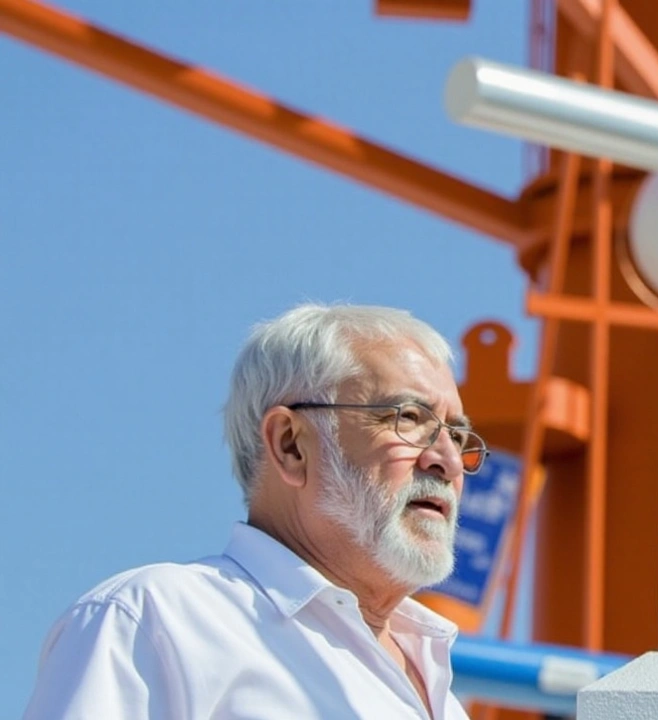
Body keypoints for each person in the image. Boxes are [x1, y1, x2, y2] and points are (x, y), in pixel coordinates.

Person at [23, 303, 486, 719]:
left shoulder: (441, 695)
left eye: (459, 436)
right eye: (407, 418)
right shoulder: (157, 621)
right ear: (290, 445)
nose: (446, 460)